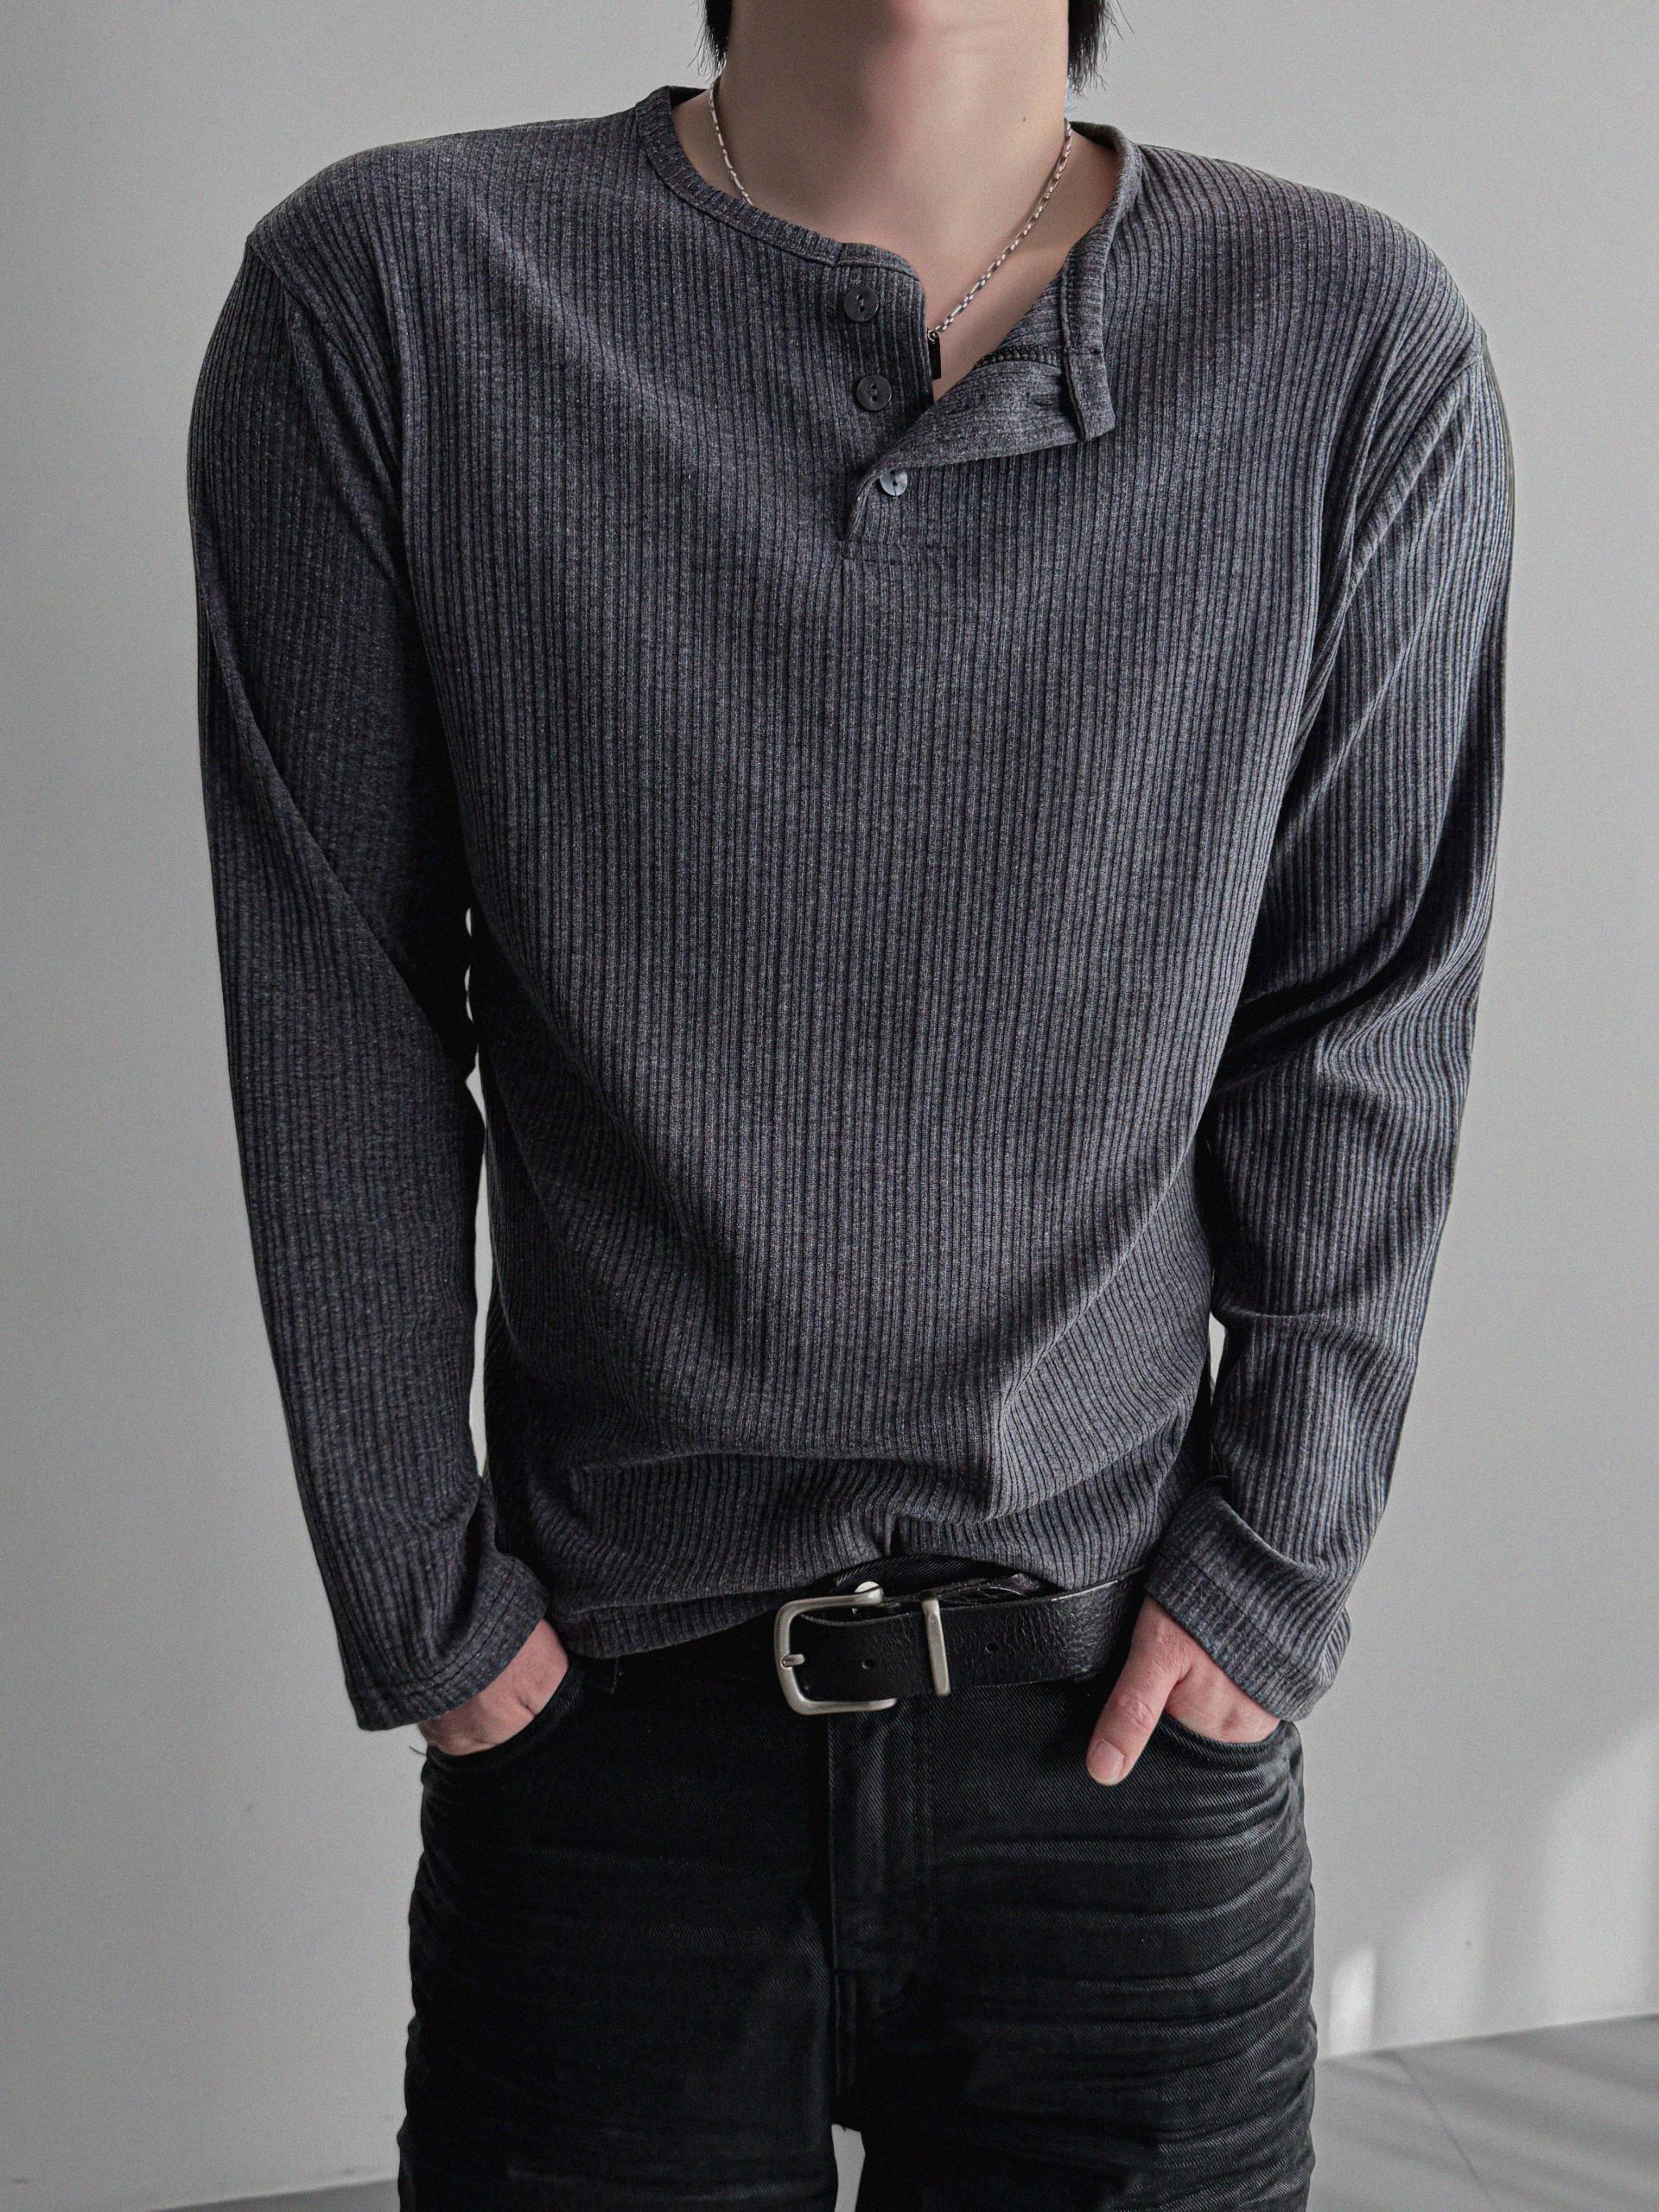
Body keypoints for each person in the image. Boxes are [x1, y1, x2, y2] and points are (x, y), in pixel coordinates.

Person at [186, 1, 1514, 2203]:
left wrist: (1273, 1568)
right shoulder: (399, 299)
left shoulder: (1347, 344)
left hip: (1120, 1728)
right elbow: (337, 997)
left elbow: (1367, 1016)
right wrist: (428, 1604)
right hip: (606, 1734)